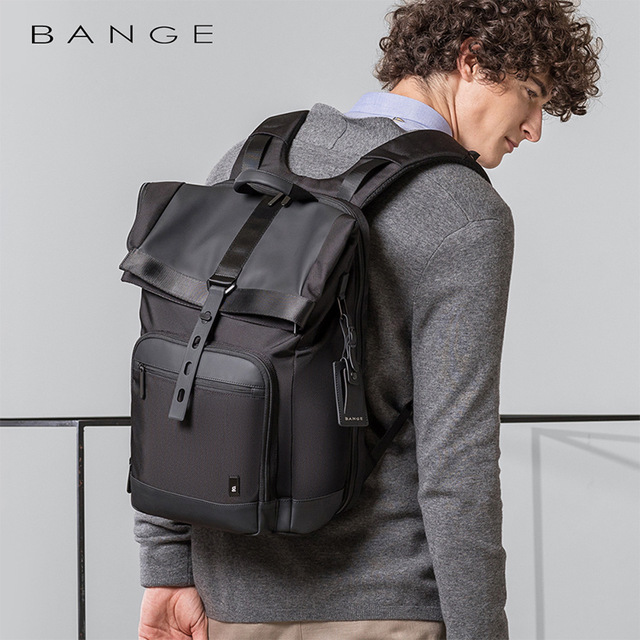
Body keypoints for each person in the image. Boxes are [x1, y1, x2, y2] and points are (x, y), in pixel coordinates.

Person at [135, 1, 601, 638]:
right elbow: (457, 461)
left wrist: (166, 570)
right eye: (531, 93)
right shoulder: (465, 210)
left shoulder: (252, 157)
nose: (535, 128)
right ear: (472, 59)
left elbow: (174, 375)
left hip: (228, 603)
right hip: (384, 609)